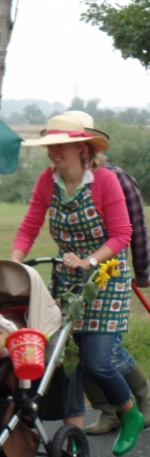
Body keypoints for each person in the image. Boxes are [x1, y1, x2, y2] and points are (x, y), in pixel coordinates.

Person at [10, 111, 144, 456]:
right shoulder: (47, 181)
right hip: (68, 278)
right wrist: (14, 261)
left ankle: (130, 413)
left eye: (60, 146)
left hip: (106, 275)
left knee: (98, 360)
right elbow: (29, 226)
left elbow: (122, 234)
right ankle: (74, 441)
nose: (53, 152)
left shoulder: (104, 181)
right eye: (50, 145)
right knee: (68, 359)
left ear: (83, 149)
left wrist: (89, 261)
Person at [82, 137, 150, 433]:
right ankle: (108, 411)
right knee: (78, 348)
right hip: (75, 275)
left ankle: (145, 397)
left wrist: (142, 271)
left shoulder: (117, 178)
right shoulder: (60, 182)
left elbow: (136, 228)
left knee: (105, 353)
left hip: (109, 273)